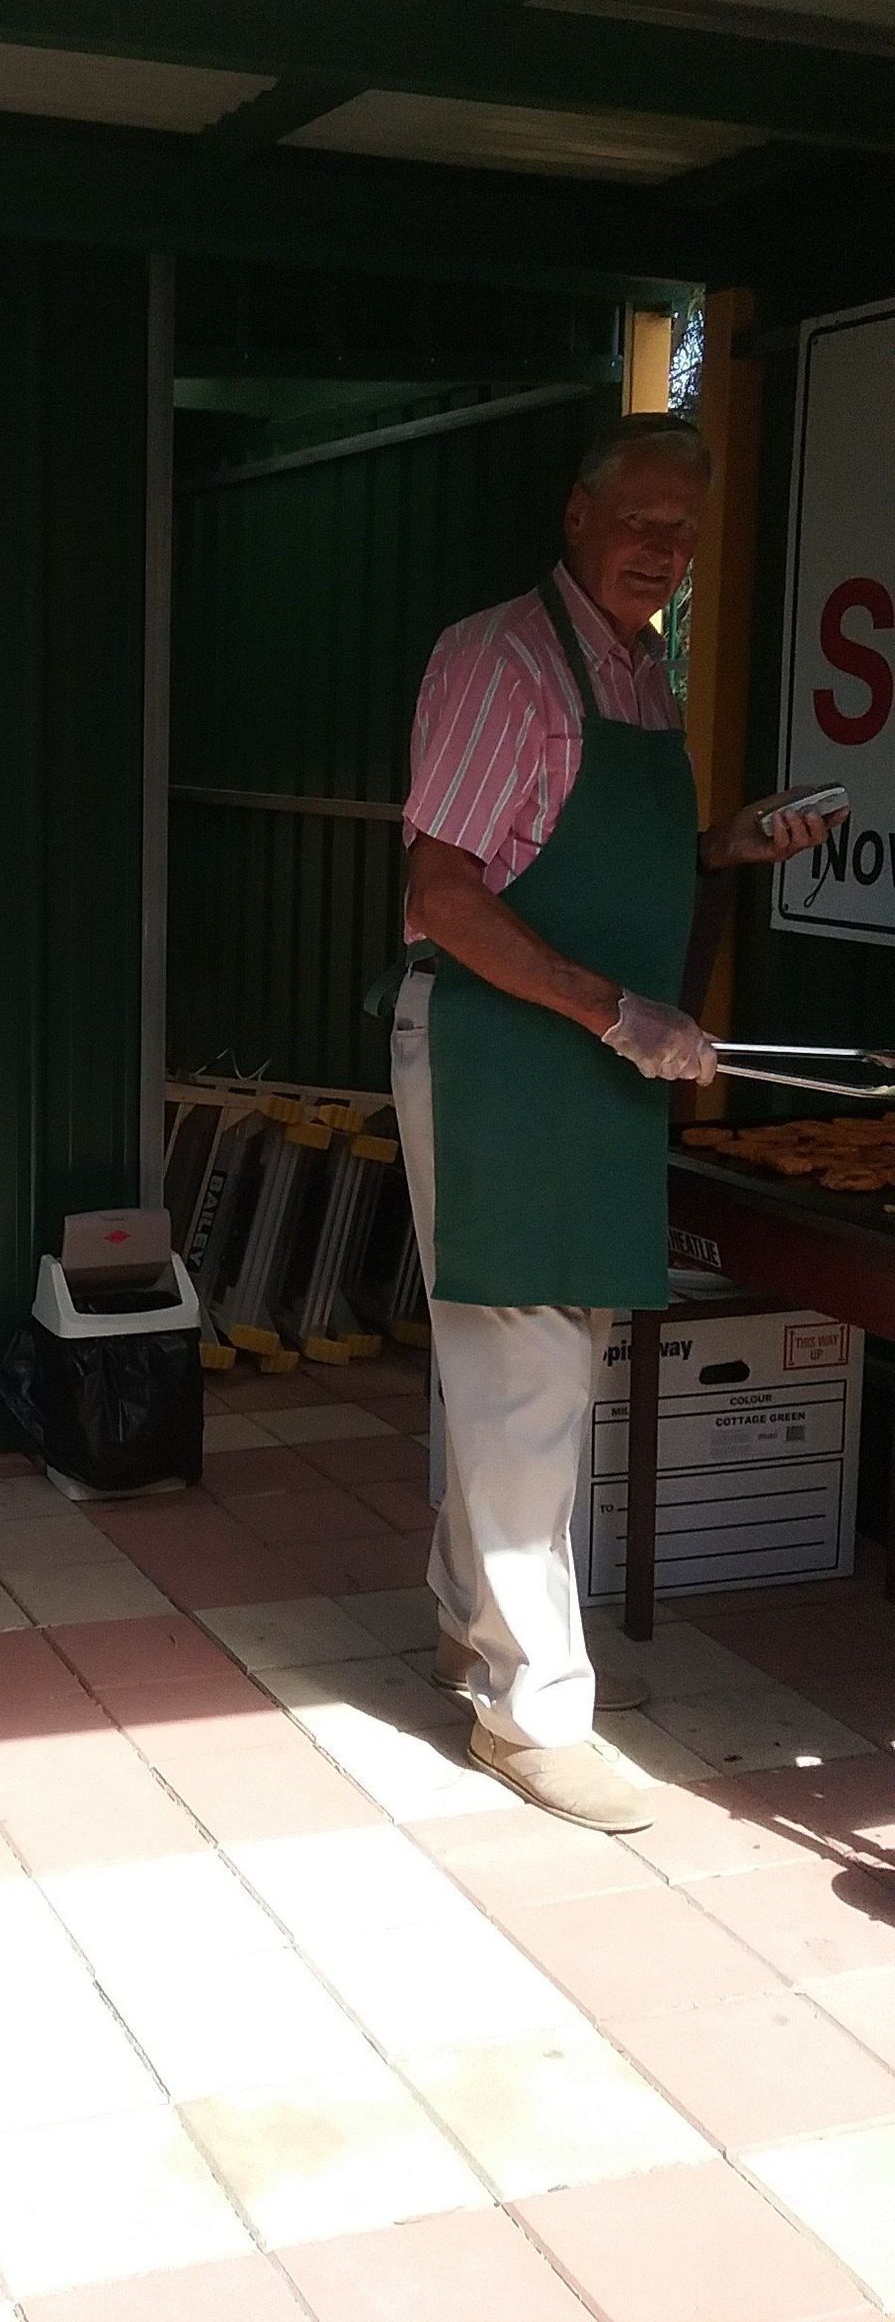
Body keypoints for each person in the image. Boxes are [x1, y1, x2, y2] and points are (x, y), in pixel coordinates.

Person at [392, 413, 833, 1835]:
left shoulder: (640, 670)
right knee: (521, 1370)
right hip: (500, 1054)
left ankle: (474, 1634)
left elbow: (581, 847)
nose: (664, 550)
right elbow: (444, 897)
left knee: (530, 1362)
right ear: (576, 515)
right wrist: (620, 1012)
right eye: (640, 520)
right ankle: (531, 1717)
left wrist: (727, 848)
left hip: (582, 1058)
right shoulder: (499, 658)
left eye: (685, 532)